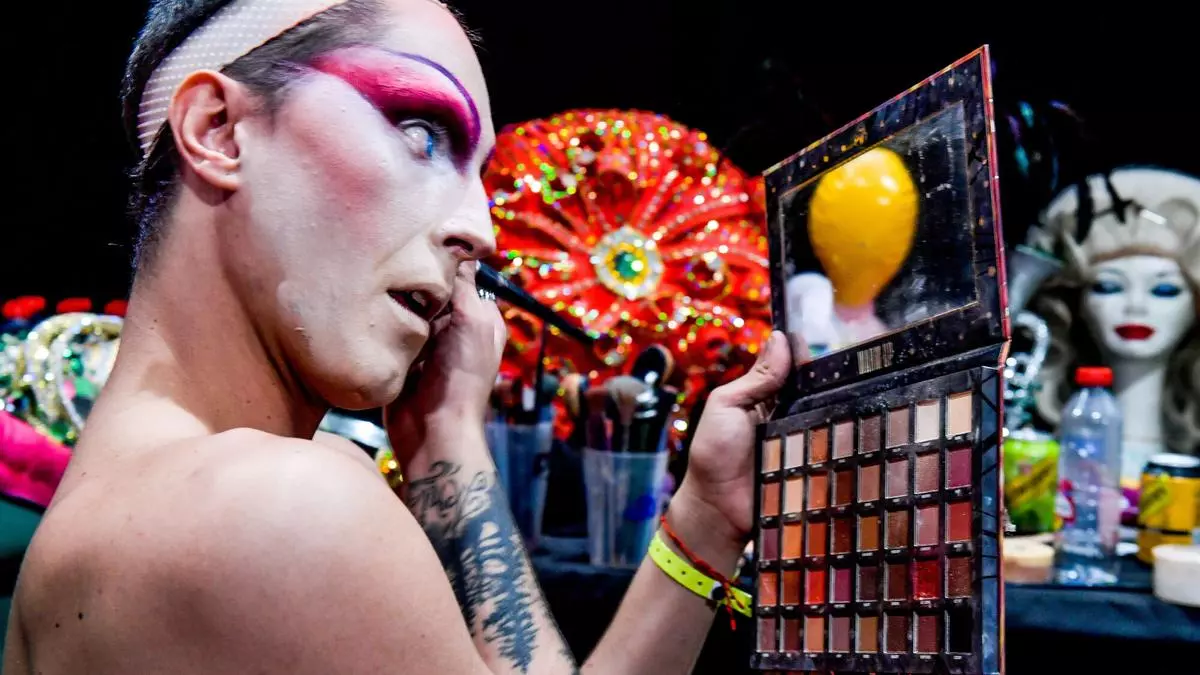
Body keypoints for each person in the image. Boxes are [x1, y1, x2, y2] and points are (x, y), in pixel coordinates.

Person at [2, 1, 791, 673]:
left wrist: (702, 519)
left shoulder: (98, 514)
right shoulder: (281, 506)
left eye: (477, 172)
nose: (481, 231)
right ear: (219, 130)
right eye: (423, 132)